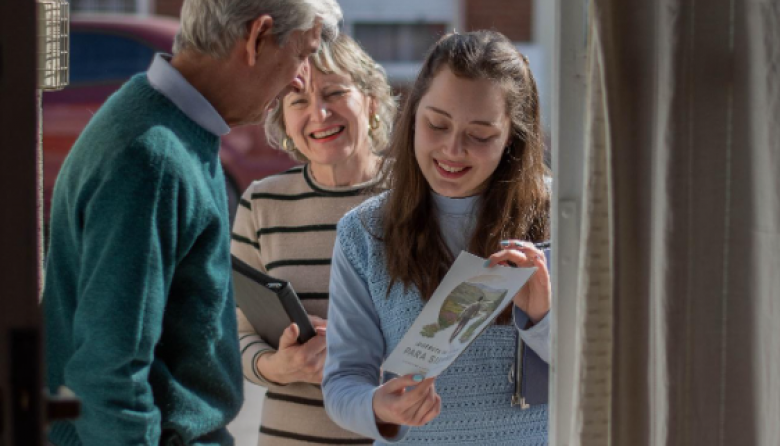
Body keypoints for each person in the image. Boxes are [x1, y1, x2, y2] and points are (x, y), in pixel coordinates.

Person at [42, 0, 342, 445]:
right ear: (257, 37)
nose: (301, 77)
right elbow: (109, 375)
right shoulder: (154, 157)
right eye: (302, 53)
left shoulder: (164, 125)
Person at [322, 31, 552, 445]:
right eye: (437, 124)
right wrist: (378, 407)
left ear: (512, 139)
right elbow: (342, 382)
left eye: (480, 135)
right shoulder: (364, 232)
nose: (452, 149)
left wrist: (542, 321)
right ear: (412, 115)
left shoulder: (561, 220)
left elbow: (606, 375)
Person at [230, 33, 396, 445]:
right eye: (298, 100)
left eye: (335, 93)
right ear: (283, 118)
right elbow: (232, 331)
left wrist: (361, 360)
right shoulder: (261, 202)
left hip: (391, 434)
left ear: (371, 100)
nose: (319, 114)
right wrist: (278, 367)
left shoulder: (417, 198)